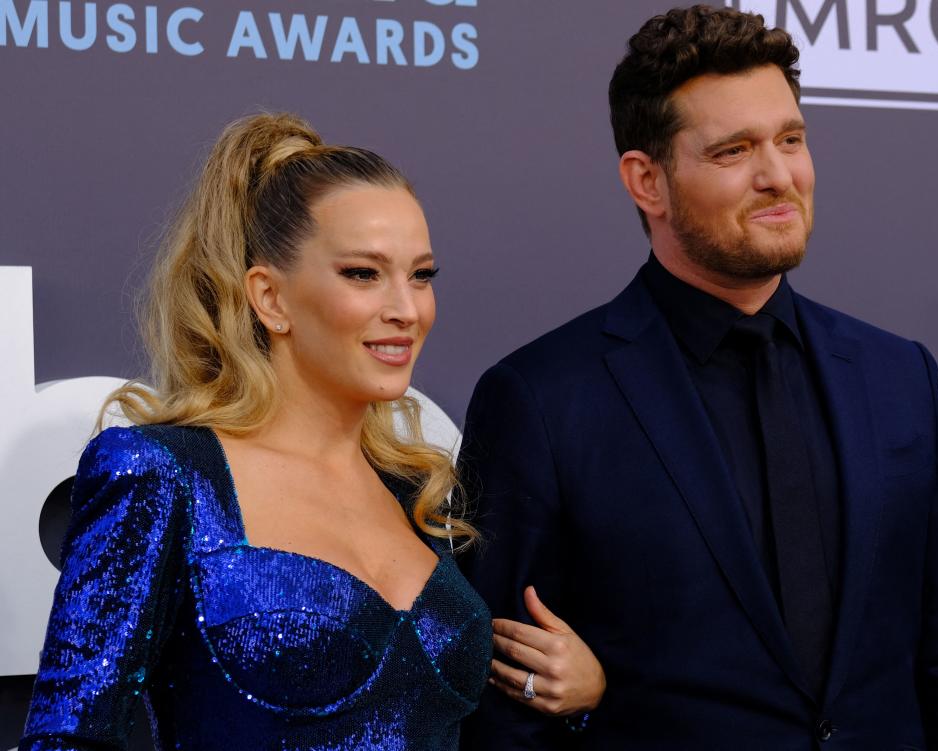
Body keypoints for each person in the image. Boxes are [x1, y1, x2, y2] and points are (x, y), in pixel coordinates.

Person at [459, 5, 938, 749]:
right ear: (646, 180)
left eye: (791, 139)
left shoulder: (897, 375)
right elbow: (501, 704)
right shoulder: (544, 399)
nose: (778, 175)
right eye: (733, 152)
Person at [20, 113, 604, 751]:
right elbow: (67, 738)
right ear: (270, 298)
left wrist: (579, 696)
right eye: (363, 274)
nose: (406, 310)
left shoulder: (425, 495)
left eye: (422, 275)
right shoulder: (162, 473)